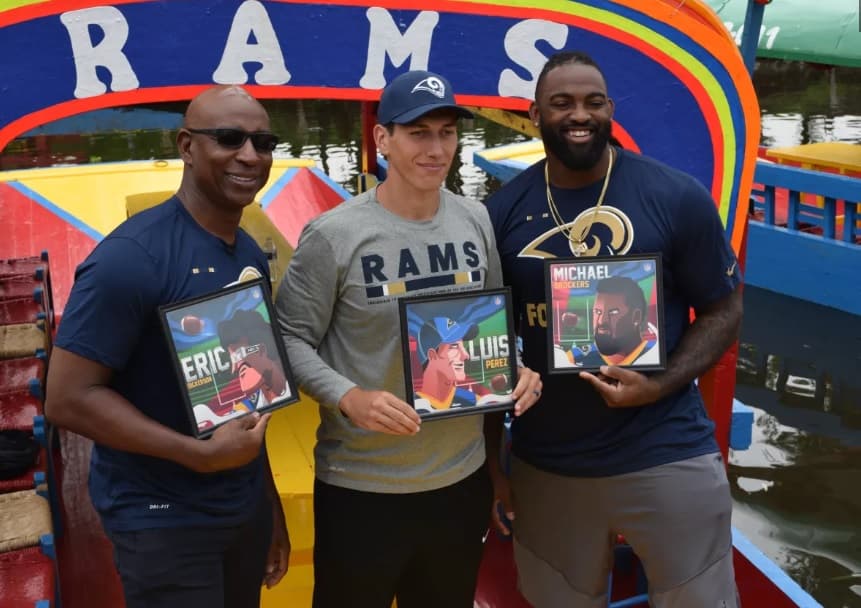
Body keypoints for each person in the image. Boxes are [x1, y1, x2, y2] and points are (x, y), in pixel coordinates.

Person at [485, 51, 744, 608]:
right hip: (548, 465)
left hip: (665, 451)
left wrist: (661, 383)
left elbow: (724, 310)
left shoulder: (675, 197)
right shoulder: (501, 212)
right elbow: (487, 342)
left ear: (609, 110)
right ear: (535, 114)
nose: (579, 114)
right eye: (562, 103)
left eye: (593, 102)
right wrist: (492, 470)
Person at [276, 69, 542, 608]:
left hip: (460, 483)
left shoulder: (475, 221)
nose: (436, 147)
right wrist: (348, 396)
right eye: (419, 133)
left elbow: (480, 326)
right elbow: (286, 337)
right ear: (383, 140)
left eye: (447, 132)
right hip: (362, 488)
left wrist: (512, 366)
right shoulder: (335, 234)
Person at [44, 85, 290, 608]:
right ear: (186, 146)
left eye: (263, 142)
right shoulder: (130, 258)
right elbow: (67, 397)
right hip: (162, 517)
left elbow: (245, 392)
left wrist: (267, 504)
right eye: (229, 139)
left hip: (239, 507)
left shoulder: (246, 250)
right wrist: (197, 457)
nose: (250, 155)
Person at [555, 275, 659, 368]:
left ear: (636, 317)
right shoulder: (573, 359)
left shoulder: (656, 353)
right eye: (598, 312)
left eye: (613, 312)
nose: (601, 321)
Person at [218, 308, 291, 410]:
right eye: (233, 359)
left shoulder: (299, 383)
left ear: (261, 350)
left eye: (239, 355)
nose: (234, 369)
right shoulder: (245, 409)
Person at [415, 317, 478, 410]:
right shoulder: (411, 407)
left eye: (462, 346)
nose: (465, 355)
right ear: (432, 356)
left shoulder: (472, 400)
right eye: (454, 346)